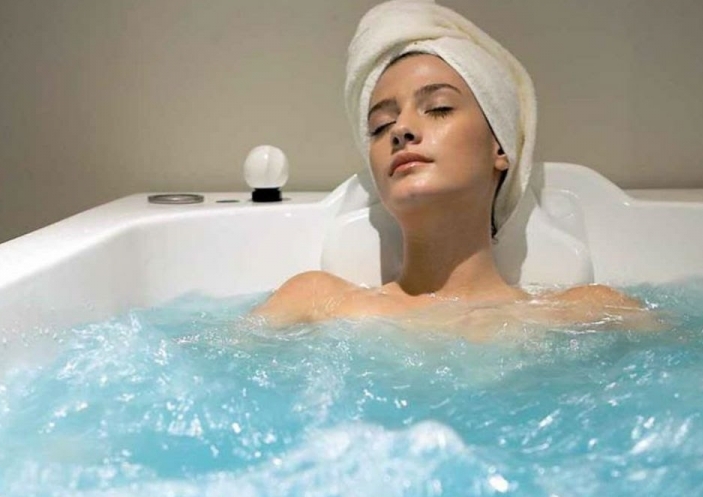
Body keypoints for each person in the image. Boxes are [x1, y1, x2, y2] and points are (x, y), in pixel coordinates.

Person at [253, 0, 654, 336]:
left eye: (439, 108)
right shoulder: (314, 301)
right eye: (380, 126)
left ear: (501, 147)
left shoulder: (588, 312)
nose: (401, 130)